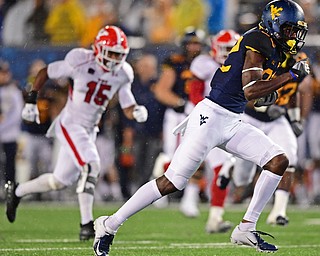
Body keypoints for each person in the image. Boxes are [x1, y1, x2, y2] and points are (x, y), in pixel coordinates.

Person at [93, 1, 309, 254]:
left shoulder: (275, 47)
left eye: (296, 30)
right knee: (172, 182)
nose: (293, 35)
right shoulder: (258, 40)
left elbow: (257, 92)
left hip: (233, 119)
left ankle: (246, 228)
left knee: (277, 160)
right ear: (274, 24)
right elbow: (251, 91)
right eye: (289, 29)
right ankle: (109, 224)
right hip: (211, 117)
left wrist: (279, 83)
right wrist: (291, 76)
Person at [5, 25, 148, 241]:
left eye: (119, 55)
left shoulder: (123, 73)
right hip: (71, 123)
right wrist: (32, 101)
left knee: (58, 181)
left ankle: (16, 191)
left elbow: (127, 103)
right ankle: (86, 224)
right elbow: (45, 72)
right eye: (111, 53)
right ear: (98, 49)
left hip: (90, 128)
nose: (115, 60)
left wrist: (136, 110)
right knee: (91, 165)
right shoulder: (80, 60)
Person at [189, 29, 240, 233]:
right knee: (182, 170)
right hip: (201, 119)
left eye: (232, 49)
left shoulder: (242, 65)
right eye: (225, 49)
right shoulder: (204, 64)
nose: (228, 53)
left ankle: (215, 217)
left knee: (223, 169)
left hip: (225, 122)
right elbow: (194, 94)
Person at [152, 26, 205, 216]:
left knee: (198, 155)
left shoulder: (208, 63)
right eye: (190, 44)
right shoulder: (175, 62)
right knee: (173, 156)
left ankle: (190, 199)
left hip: (201, 113)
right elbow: (161, 90)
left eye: (197, 44)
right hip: (179, 114)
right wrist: (181, 102)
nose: (193, 48)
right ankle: (160, 191)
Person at [0, 59, 23, 194]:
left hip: (9, 135)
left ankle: (10, 192)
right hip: (5, 133)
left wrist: (2, 128)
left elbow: (16, 115)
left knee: (9, 166)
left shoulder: (14, 91)